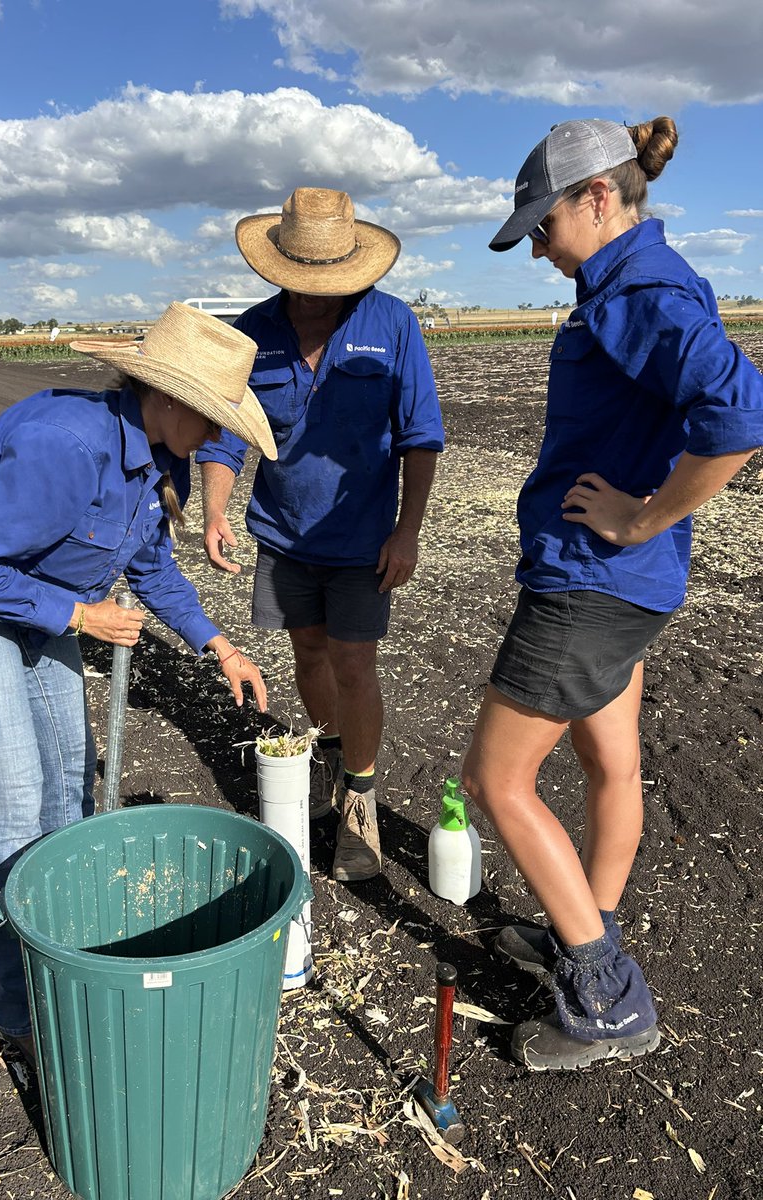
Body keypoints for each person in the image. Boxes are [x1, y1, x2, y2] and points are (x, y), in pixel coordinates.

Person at [0, 302, 277, 1065]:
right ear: (167, 398)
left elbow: (149, 565)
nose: (218, 440)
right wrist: (79, 616)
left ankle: (66, 939)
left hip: (40, 601)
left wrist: (221, 647)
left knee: (69, 774)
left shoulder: (159, 456)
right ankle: (19, 1008)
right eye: (212, 419)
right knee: (12, 798)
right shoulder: (64, 445)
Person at [462, 117, 763, 1070]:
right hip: (625, 588)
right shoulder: (638, 278)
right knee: (611, 771)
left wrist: (641, 517)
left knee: (495, 782)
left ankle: (606, 999)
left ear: (597, 198)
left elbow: (739, 418)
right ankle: (579, 929)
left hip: (591, 583)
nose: (540, 252)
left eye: (542, 229)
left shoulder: (640, 284)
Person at [197, 187, 444, 882]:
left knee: (354, 666)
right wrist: (215, 510)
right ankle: (337, 755)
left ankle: (360, 804)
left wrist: (408, 532)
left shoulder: (392, 325)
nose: (306, 297)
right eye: (293, 283)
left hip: (365, 542)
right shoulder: (251, 332)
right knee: (308, 654)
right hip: (282, 539)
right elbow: (223, 438)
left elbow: (420, 439)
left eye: (321, 286)